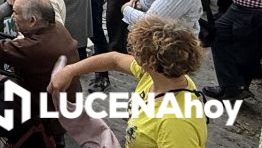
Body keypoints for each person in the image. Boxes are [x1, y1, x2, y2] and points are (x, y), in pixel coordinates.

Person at [49, 16, 208, 148]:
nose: (132, 55)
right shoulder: (159, 76)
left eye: (136, 52)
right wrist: (70, 70)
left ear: (150, 62)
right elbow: (114, 60)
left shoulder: (176, 124)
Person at [0, 0, 80, 145]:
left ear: (32, 21)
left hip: (45, 114)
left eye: (16, 13)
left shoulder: (36, 47)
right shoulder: (57, 28)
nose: (12, 16)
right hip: (61, 107)